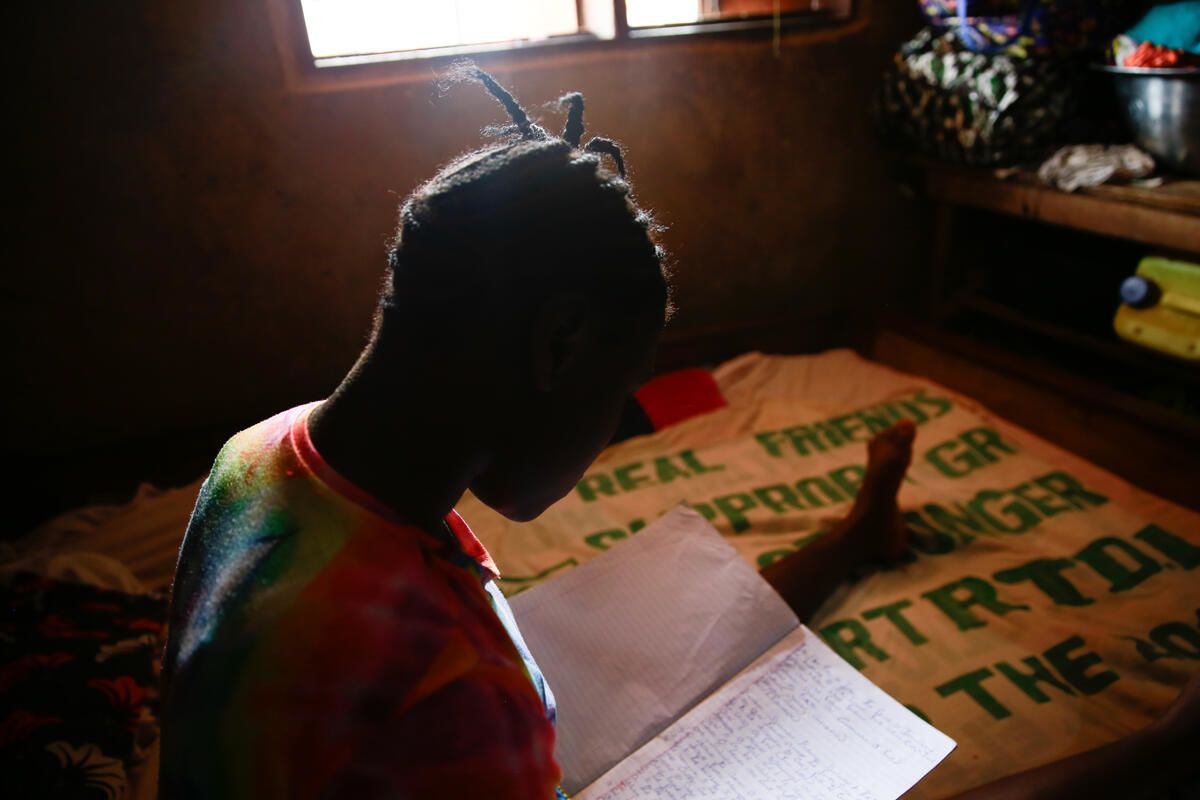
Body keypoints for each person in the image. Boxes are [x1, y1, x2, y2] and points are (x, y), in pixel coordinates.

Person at [159, 67, 1198, 799]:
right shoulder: (446, 696)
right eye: (617, 390)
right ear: (556, 345)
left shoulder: (260, 458)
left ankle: (856, 537)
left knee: (693, 645)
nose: (614, 426)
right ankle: (1174, 742)